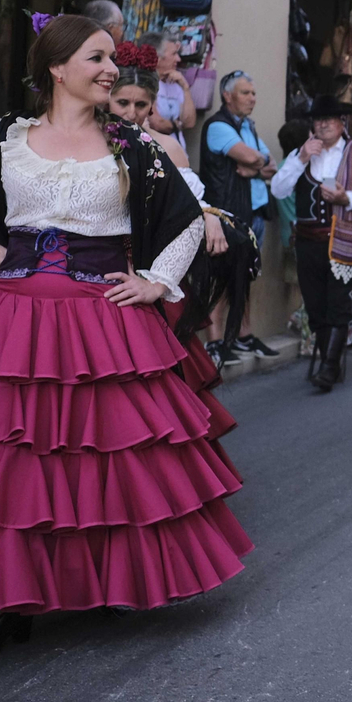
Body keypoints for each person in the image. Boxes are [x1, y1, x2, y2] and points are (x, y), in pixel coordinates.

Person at [0, 14, 251, 663]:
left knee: (107, 458)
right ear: (58, 68)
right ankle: (3, 604)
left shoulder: (129, 145)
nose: (112, 68)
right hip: (14, 321)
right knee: (11, 462)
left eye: (113, 58)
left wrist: (156, 280)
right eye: (97, 57)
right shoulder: (3, 137)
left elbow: (187, 222)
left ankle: (106, 580)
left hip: (105, 322)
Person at [107, 68, 248, 440]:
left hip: (152, 266)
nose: (131, 112)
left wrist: (209, 216)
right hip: (100, 265)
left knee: (161, 370)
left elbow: (188, 202)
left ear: (153, 106)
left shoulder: (166, 146)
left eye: (141, 104)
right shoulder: (93, 143)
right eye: (122, 103)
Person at [269, 95, 352, 391]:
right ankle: (327, 360)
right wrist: (301, 159)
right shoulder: (302, 153)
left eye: (329, 120)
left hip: (346, 237)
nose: (323, 125)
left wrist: (349, 199)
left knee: (339, 304)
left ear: (341, 123)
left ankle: (329, 366)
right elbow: (279, 189)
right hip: (308, 241)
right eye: (318, 121)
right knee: (316, 306)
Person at [199, 70, 278, 363]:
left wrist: (255, 167)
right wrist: (255, 163)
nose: (252, 98)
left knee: (245, 277)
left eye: (254, 93)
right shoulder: (219, 126)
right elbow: (252, 157)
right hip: (227, 213)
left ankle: (243, 336)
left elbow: (270, 164)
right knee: (220, 278)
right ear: (227, 95)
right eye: (246, 93)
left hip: (252, 213)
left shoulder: (247, 126)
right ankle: (215, 342)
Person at [142, 31, 196, 149]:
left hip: (180, 156)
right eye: (174, 54)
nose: (178, 59)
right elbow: (157, 124)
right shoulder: (144, 83)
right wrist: (177, 125)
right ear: (158, 57)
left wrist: (185, 87)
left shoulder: (175, 84)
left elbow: (190, 122)